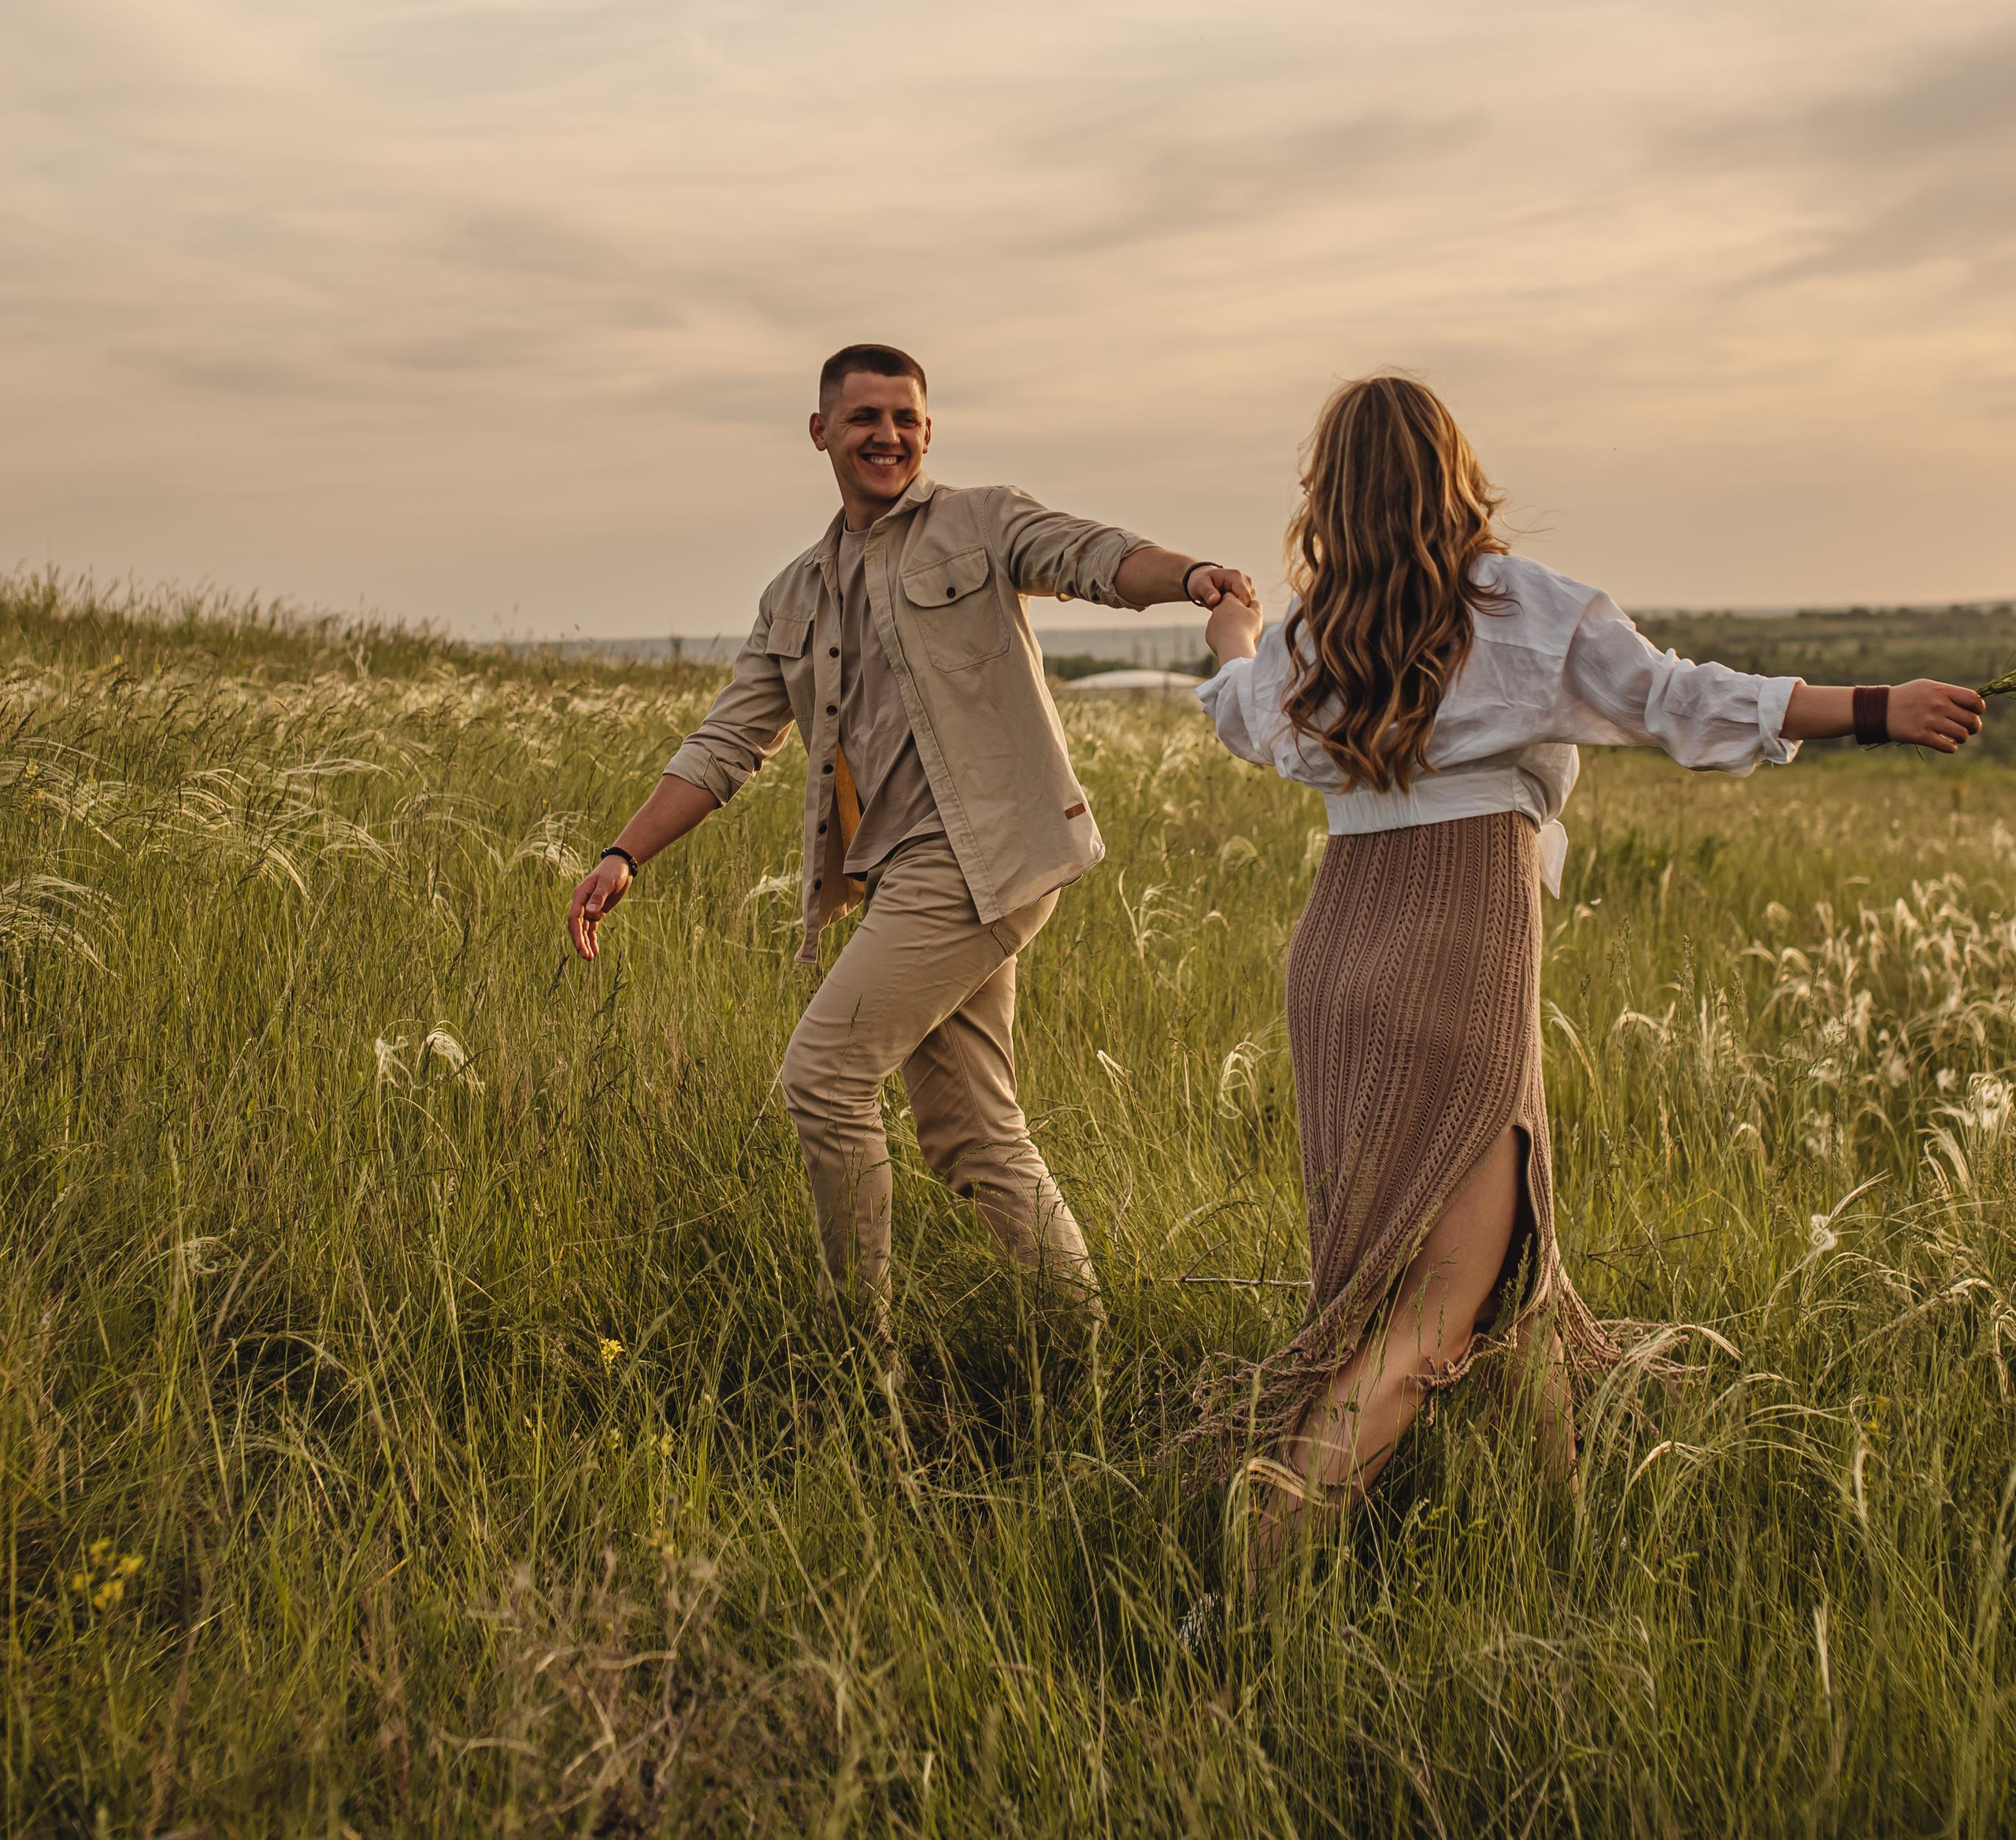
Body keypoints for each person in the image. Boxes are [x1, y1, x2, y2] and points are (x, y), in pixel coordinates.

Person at [1194, 372, 1985, 1546]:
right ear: (1452, 477)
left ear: (1331, 496)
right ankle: (1256, 1574)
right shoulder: (1517, 606)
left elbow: (1233, 701)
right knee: (1434, 1316)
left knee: (1501, 1267)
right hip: (1459, 947)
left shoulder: (1315, 632)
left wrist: (1235, 628)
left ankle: (1558, 1551)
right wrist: (1876, 707)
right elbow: (1676, 700)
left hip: (1338, 956)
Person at [567, 342, 1257, 1319]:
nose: (886, 435)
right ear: (821, 433)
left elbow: (1094, 556)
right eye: (864, 418)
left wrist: (1193, 578)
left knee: (824, 1078)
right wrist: (623, 853)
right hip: (899, 876)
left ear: (928, 431)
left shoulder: (982, 522)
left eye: (905, 419)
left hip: (988, 854)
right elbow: (728, 741)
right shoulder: (796, 593)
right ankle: (1082, 1348)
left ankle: (860, 1351)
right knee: (971, 1133)